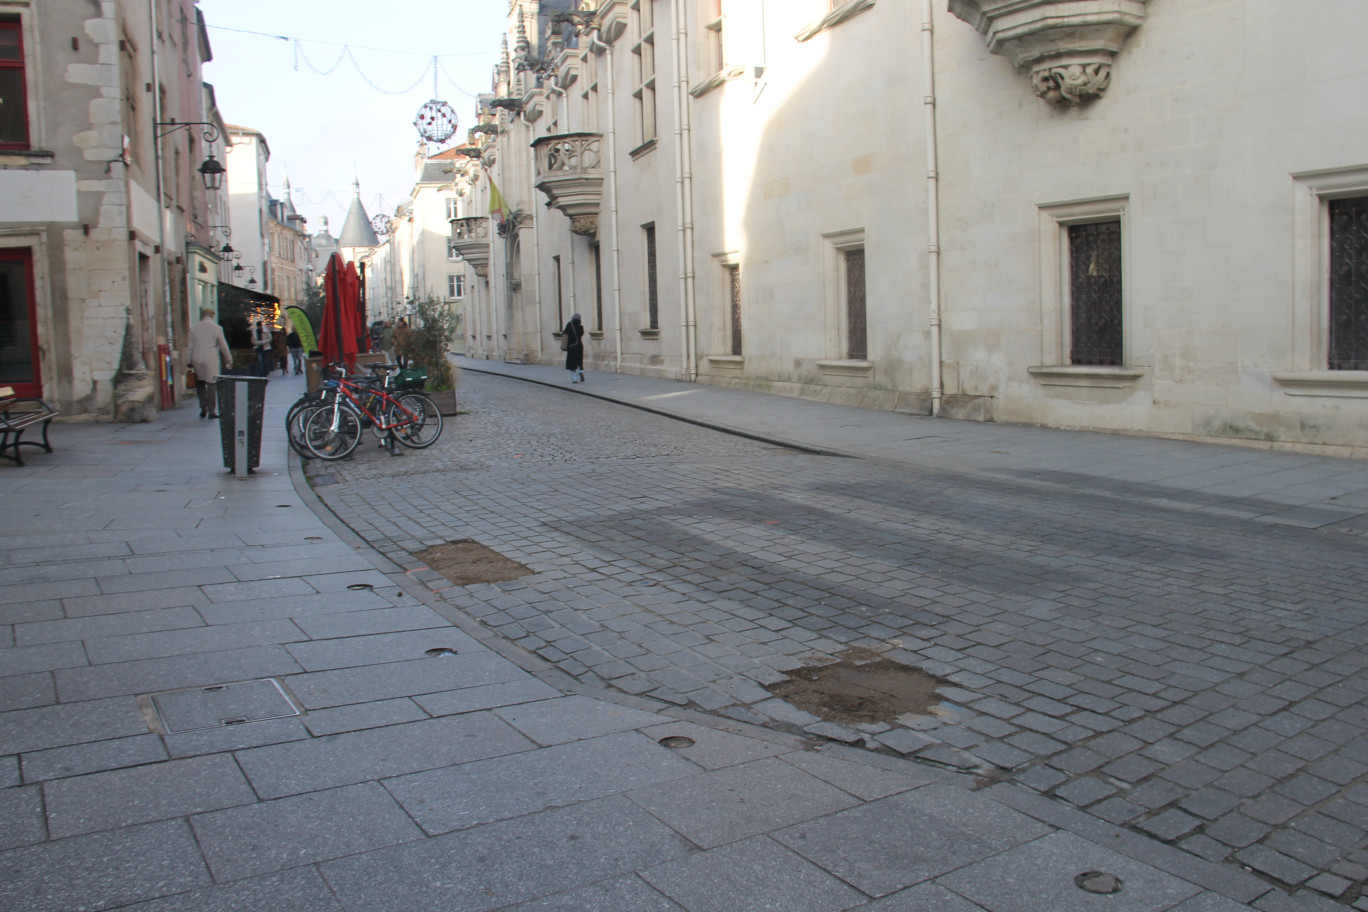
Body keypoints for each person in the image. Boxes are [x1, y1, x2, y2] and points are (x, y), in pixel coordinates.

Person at [187, 308, 232, 419]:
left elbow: (190, 346)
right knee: (211, 384)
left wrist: (188, 360)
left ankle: (203, 407)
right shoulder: (217, 328)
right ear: (212, 316)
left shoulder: (194, 328)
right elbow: (223, 346)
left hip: (197, 358)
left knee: (200, 383)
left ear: (202, 316)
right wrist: (228, 360)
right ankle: (212, 410)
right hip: (210, 359)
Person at [563, 312, 586, 383]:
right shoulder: (580, 327)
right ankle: (581, 371)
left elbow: (565, 334)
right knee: (579, 360)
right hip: (579, 345)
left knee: (572, 363)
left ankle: (574, 379)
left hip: (571, 346)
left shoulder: (569, 325)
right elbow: (581, 334)